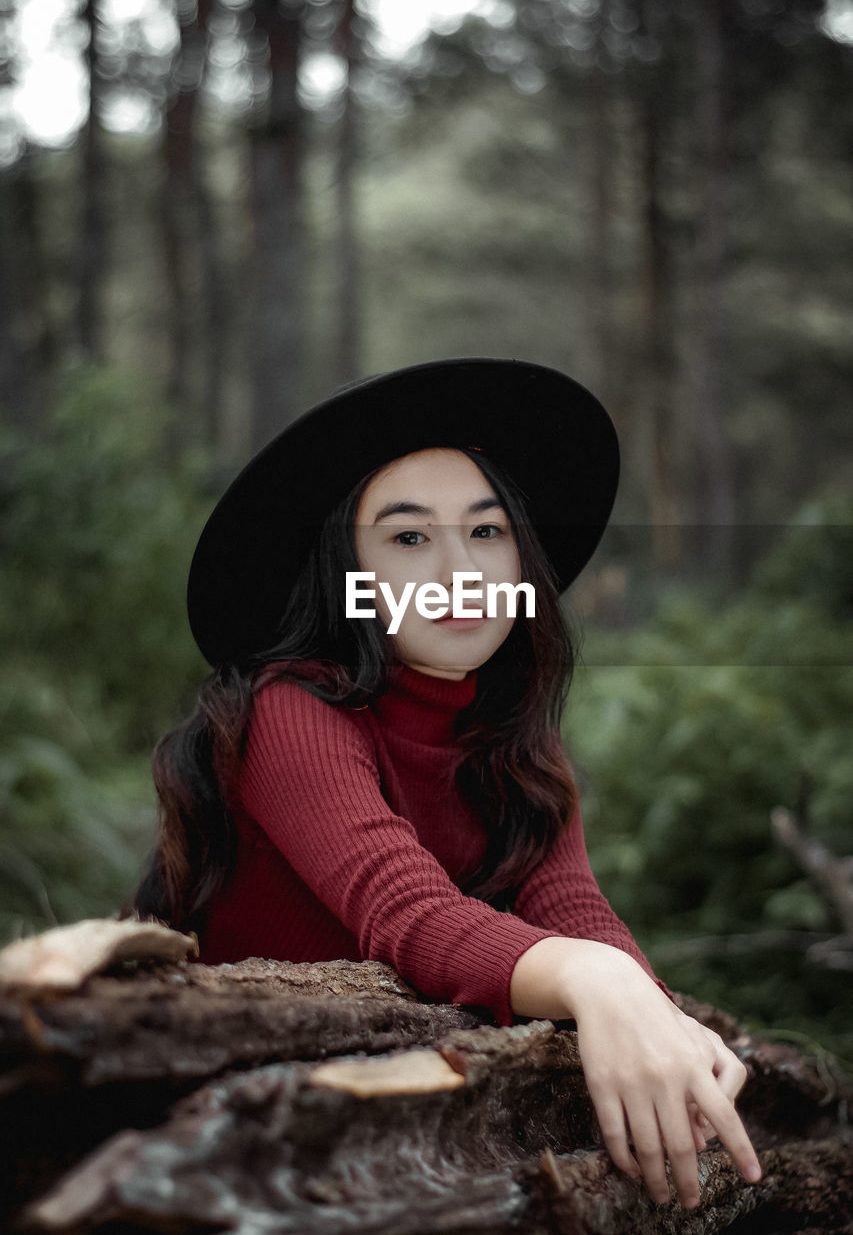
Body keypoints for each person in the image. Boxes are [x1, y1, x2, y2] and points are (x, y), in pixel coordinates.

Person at [126, 357, 762, 1210]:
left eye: (488, 532)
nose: (460, 569)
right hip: (220, 1150)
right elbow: (407, 913)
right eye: (409, 537)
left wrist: (653, 1013)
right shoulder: (287, 711)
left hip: (405, 1141)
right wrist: (596, 981)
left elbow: (571, 908)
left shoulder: (514, 744)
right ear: (344, 576)